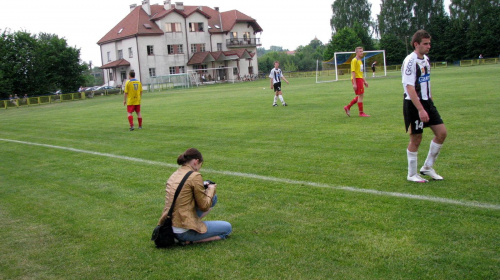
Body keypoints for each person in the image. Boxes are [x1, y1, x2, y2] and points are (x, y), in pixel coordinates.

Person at [157, 148, 232, 244]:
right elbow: (204, 206)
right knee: (227, 228)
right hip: (182, 231)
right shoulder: (195, 176)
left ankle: (189, 227)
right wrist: (211, 189)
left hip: (168, 223)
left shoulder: (176, 173)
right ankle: (187, 240)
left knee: (213, 198)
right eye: (201, 165)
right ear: (196, 161)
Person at [402, 30, 447, 183]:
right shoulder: (410, 61)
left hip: (427, 102)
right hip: (413, 103)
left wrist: (429, 101)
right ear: (416, 44)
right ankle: (412, 174)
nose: (429, 46)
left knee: (441, 133)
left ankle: (427, 167)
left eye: (429, 43)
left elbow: (425, 82)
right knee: (416, 138)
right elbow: (409, 87)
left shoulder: (426, 60)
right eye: (425, 44)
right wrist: (420, 109)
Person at [344, 47, 370, 117]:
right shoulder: (354, 60)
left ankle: (348, 107)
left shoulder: (360, 61)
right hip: (356, 79)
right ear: (357, 52)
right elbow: (353, 72)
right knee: (361, 96)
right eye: (360, 51)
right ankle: (361, 113)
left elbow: (360, 73)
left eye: (362, 51)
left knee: (361, 95)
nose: (362, 52)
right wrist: (354, 83)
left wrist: (364, 81)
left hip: (360, 79)